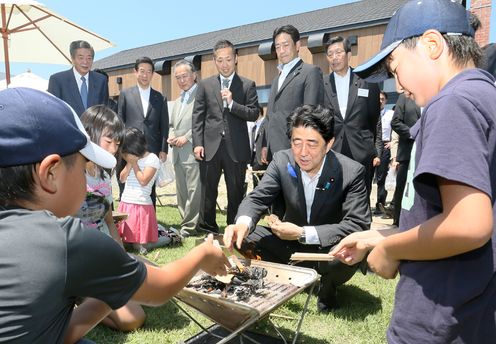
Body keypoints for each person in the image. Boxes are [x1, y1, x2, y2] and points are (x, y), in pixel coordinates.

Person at [0, 87, 229, 343]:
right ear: (50, 173)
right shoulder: (64, 240)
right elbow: (162, 287)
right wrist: (203, 254)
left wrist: (113, 283)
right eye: (80, 165)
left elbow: (54, 332)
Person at [331, 1, 496, 342]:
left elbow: (468, 224)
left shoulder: (452, 103)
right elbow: (441, 215)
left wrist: (392, 251)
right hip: (472, 312)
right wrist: (377, 237)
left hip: (438, 316)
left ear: (432, 45)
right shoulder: (484, 94)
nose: (397, 86)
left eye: (395, 68)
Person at [224, 105, 370, 312]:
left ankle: (326, 287)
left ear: (329, 144)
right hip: (288, 245)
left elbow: (358, 224)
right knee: (244, 236)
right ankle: (287, 275)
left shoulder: (351, 172)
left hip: (326, 249)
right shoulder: (282, 161)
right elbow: (258, 198)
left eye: (312, 144)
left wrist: (303, 233)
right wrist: (242, 224)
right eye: (296, 142)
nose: (302, 153)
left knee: (348, 248)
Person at [77, 105, 146, 333]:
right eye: (109, 141)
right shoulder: (71, 171)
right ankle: (74, 301)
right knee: (132, 319)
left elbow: (108, 221)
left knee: (150, 275)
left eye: (117, 144)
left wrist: (121, 257)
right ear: (88, 133)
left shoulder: (104, 173)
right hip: (81, 260)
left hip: (105, 255)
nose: (113, 148)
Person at [192, 40, 260, 232]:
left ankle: (234, 227)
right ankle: (207, 227)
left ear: (236, 58)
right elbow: (198, 116)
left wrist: (232, 105)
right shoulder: (205, 85)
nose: (225, 64)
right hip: (210, 147)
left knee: (236, 191)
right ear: (214, 61)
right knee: (208, 191)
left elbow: (255, 113)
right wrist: (197, 143)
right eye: (220, 60)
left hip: (236, 148)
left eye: (228, 59)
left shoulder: (247, 85)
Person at [323, 36, 381, 197]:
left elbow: (373, 117)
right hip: (332, 150)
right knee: (333, 198)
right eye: (330, 54)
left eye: (338, 52)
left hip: (360, 150)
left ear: (348, 55)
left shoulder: (366, 81)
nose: (334, 57)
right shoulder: (322, 84)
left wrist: (368, 145)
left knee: (361, 197)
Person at [260, 24, 324, 164]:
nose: (281, 51)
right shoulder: (277, 79)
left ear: (297, 45)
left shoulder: (310, 72)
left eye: (285, 45)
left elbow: (311, 115)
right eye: (277, 47)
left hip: (295, 151)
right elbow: (270, 115)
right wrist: (265, 144)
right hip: (274, 152)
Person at [117, 56, 169, 207]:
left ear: (153, 74)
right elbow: (120, 122)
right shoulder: (125, 94)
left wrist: (163, 149)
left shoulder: (160, 98)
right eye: (142, 71)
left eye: (149, 71)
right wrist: (121, 148)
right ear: (135, 72)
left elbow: (164, 125)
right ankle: (125, 223)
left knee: (149, 189)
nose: (145, 75)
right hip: (129, 147)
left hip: (151, 149)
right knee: (125, 185)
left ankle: (150, 222)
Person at [167, 60, 201, 235]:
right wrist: (171, 135)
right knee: (181, 190)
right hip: (177, 153)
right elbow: (172, 123)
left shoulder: (201, 95)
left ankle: (190, 226)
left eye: (185, 76)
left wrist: (186, 138)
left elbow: (202, 121)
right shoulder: (179, 99)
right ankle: (185, 222)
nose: (181, 80)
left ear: (194, 75)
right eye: (178, 77)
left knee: (194, 190)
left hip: (192, 150)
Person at [118, 128, 161, 255]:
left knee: (139, 246)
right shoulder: (131, 159)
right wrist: (129, 163)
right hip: (126, 202)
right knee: (123, 242)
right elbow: (122, 178)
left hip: (141, 205)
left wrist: (134, 163)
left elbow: (143, 181)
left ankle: (168, 238)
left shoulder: (152, 158)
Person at [48, 40, 109, 117]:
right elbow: (53, 111)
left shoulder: (101, 80)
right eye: (81, 58)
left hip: (94, 128)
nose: (85, 62)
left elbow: (104, 111)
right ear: (72, 59)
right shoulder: (57, 80)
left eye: (89, 58)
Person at [389, 94, 421, 226]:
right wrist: (413, 133)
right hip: (407, 152)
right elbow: (395, 122)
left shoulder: (436, 93)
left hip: (429, 151)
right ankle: (398, 223)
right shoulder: (405, 97)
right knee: (402, 190)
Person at [374, 91, 394, 216]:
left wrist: (392, 142)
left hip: (385, 147)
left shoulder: (391, 114)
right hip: (371, 147)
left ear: (386, 101)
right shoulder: (370, 114)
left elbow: (396, 129)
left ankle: (380, 204)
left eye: (382, 99)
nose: (380, 101)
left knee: (381, 177)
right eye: (378, 99)